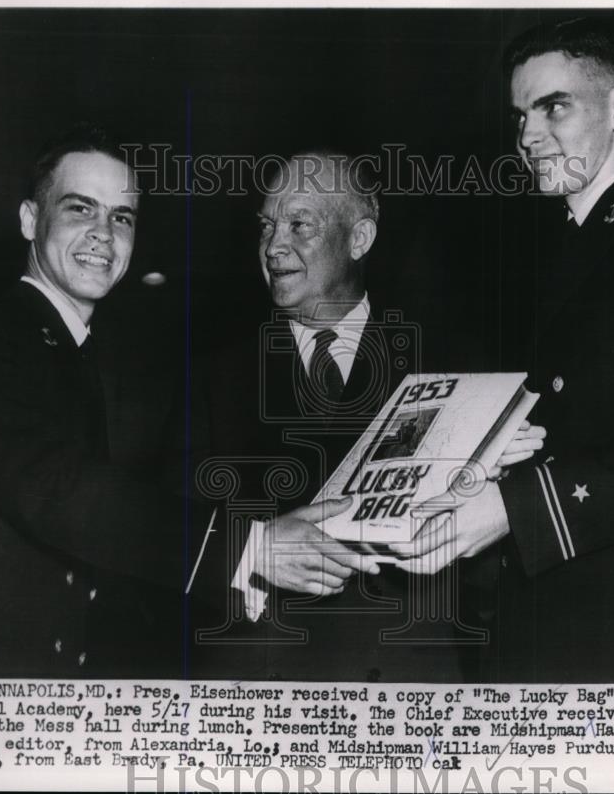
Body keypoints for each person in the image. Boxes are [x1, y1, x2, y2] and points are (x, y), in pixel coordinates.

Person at [0, 124, 340, 677]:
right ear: (30, 219)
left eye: (121, 217)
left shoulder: (88, 351)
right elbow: (54, 486)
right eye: (80, 209)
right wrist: (249, 547)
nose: (103, 234)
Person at [394, 18, 614, 681]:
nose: (527, 136)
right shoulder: (549, 246)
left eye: (554, 107)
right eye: (521, 114)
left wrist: (516, 509)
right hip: (538, 609)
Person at [193, 151, 543, 681]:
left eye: (299, 224)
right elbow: (176, 539)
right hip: (264, 685)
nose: (273, 246)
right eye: (266, 226)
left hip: (412, 688)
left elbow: (496, 571)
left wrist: (491, 487)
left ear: (359, 238)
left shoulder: (454, 363)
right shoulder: (211, 377)